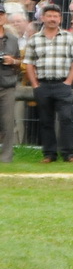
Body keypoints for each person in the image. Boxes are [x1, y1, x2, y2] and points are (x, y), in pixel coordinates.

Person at [24, 4, 73, 162]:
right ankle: (49, 154)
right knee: (45, 120)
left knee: (66, 119)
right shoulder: (34, 39)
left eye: (55, 16)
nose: (52, 19)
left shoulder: (68, 37)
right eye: (49, 16)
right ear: (43, 18)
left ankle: (69, 154)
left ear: (60, 19)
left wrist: (68, 81)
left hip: (62, 84)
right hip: (43, 85)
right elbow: (29, 63)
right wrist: (35, 85)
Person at [0, 17, 20, 161]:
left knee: (8, 123)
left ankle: (6, 157)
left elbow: (20, 62)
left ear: (5, 17)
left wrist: (12, 61)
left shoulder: (13, 39)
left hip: (7, 85)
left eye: (1, 14)